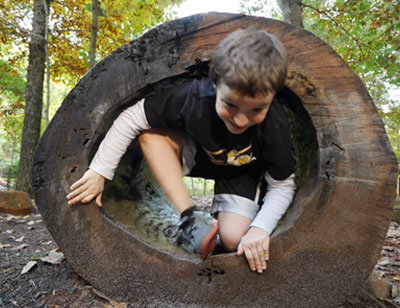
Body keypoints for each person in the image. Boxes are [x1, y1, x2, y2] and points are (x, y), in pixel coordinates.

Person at [67, 28, 296, 274]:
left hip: (244, 173)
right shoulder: (195, 97)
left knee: (233, 240)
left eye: (255, 110)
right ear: (216, 84)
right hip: (199, 152)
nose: (241, 120)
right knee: (151, 136)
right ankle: (191, 219)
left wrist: (261, 228)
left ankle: (224, 221)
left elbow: (282, 185)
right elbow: (134, 116)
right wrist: (99, 170)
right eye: (230, 105)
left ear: (271, 100)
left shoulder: (274, 124)